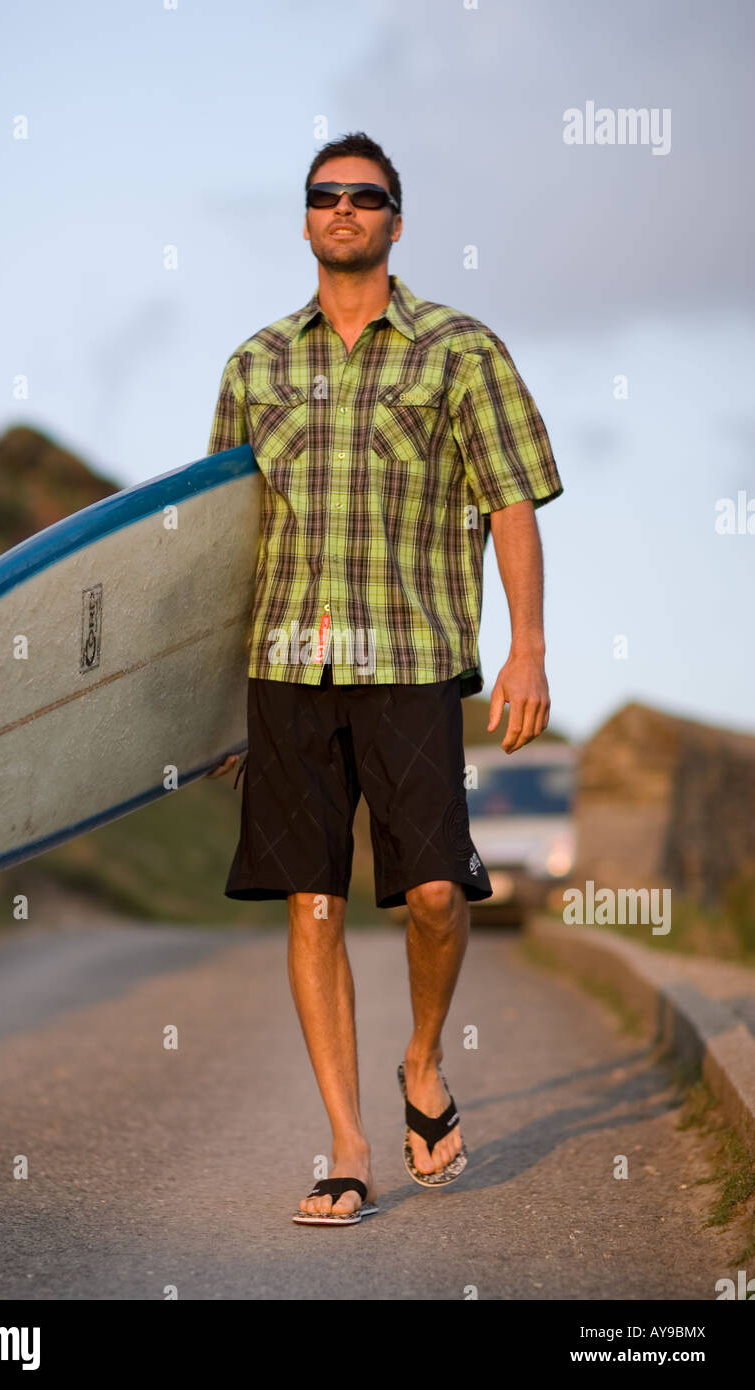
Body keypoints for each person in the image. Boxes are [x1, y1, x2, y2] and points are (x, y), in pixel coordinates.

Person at [205, 132, 563, 1225]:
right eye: (327, 196)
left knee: (434, 894)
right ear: (306, 217)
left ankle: (420, 1061)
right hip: (284, 665)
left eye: (366, 197)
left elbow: (510, 499)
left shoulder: (461, 351)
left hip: (410, 662)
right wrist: (212, 703)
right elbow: (220, 543)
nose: (345, 210)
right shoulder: (253, 365)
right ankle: (347, 1144)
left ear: (396, 221)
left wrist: (526, 646)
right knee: (311, 901)